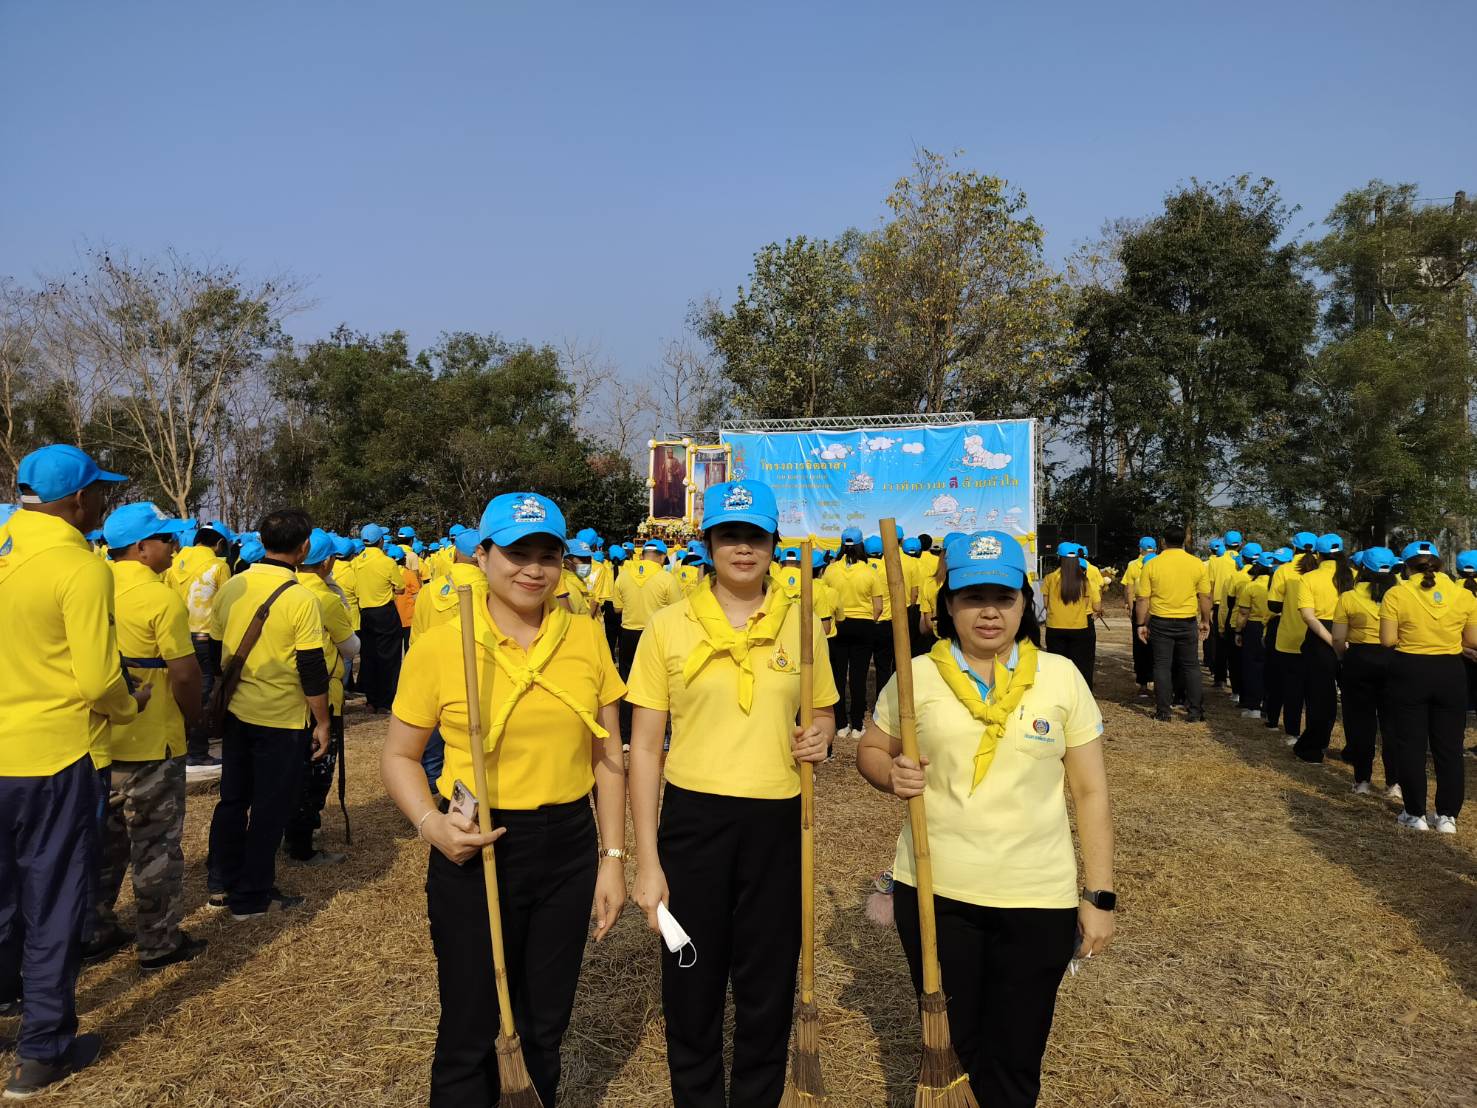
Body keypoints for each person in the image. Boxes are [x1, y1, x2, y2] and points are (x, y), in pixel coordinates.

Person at [382, 491, 627, 1107]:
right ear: (483, 556)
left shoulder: (586, 637)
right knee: (470, 1026)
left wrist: (613, 858)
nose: (534, 569)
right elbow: (399, 757)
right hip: (474, 847)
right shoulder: (443, 644)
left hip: (566, 846)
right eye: (517, 553)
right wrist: (429, 825)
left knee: (544, 1024)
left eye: (549, 554)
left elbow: (609, 759)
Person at [856, 530, 1115, 1108]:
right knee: (954, 1050)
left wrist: (1098, 896)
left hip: (1038, 898)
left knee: (1018, 1055)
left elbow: (1091, 791)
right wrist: (889, 773)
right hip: (936, 893)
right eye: (973, 597)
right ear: (950, 604)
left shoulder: (1060, 678)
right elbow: (871, 750)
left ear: (1026, 602)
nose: (990, 612)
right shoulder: (916, 673)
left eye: (1004, 596)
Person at [627, 479, 837, 1108]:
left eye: (755, 536)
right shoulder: (668, 627)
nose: (742, 548)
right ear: (708, 544)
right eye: (728, 535)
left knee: (767, 982)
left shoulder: (803, 625)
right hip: (694, 820)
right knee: (690, 979)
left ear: (773, 543)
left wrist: (819, 737)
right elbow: (644, 747)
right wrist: (646, 856)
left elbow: (822, 714)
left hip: (778, 819)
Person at [0, 445, 146, 1098]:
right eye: (101, 495)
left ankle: (10, 1009)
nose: (102, 507)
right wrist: (128, 702)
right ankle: (45, 1049)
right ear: (81, 501)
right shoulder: (79, 568)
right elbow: (95, 679)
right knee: (54, 901)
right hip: (55, 759)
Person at [87, 502, 209, 975]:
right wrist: (194, 718)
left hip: (98, 744)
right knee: (156, 848)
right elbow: (183, 674)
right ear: (141, 549)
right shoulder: (160, 598)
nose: (172, 546)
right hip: (152, 742)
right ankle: (158, 941)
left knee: (103, 845)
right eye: (165, 539)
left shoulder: (90, 586)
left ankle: (95, 930)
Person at [205, 509, 332, 919]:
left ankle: (220, 882)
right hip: (281, 719)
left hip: (237, 713)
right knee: (268, 808)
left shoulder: (234, 586)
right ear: (305, 546)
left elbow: (217, 649)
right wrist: (323, 720)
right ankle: (251, 896)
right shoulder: (300, 598)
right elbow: (311, 668)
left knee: (232, 799)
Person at [1381, 541, 1477, 833]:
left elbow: (1387, 640)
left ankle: (1415, 813)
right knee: (1449, 746)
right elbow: (1472, 640)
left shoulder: (1396, 593)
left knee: (1411, 743)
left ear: (1407, 566)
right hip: (1450, 670)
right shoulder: (1464, 595)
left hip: (1410, 669)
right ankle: (1447, 816)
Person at [285, 529, 359, 866]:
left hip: (285, 696)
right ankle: (302, 842)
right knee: (317, 770)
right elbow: (351, 647)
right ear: (327, 561)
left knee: (291, 768)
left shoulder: (285, 588)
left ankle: (287, 831)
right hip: (323, 695)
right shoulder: (325, 599)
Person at [165, 520, 233, 779]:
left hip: (179, 636)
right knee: (204, 694)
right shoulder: (218, 566)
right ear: (218, 543)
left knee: (179, 692)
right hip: (206, 637)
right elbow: (225, 604)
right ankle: (197, 753)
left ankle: (181, 748)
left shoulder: (175, 562)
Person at [1332, 547, 1399, 796]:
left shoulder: (1348, 597)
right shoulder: (1401, 594)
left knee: (1360, 722)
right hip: (1393, 659)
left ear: (1362, 569)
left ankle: (1362, 780)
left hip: (1359, 659)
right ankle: (1395, 782)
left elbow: (1338, 638)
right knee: (1393, 724)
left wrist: (1343, 657)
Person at [1134, 525, 1211, 722]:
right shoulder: (1197, 564)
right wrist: (1205, 620)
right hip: (1187, 621)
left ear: (1163, 541)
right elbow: (1205, 596)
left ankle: (1163, 712)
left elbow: (1143, 599)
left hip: (1160, 621)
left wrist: (1141, 624)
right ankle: (1195, 712)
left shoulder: (1152, 564)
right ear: (1184, 541)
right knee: (1191, 666)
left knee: (1161, 666)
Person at [611, 538, 681, 744]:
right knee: (660, 684)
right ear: (661, 557)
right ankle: (660, 736)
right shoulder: (665, 578)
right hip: (656, 634)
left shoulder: (623, 577)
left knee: (626, 682)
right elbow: (677, 611)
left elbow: (617, 609)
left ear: (642, 556)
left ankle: (625, 735)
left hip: (628, 634)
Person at [1292, 534, 1354, 763]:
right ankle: (1355, 750)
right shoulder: (1354, 576)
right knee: (1355, 700)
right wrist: (1344, 642)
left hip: (1321, 639)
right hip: (1351, 636)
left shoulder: (1309, 578)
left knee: (1320, 699)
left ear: (1317, 554)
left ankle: (1313, 749)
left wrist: (1332, 641)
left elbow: (1309, 617)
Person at [826, 527, 883, 740]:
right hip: (864, 624)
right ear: (861, 546)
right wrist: (869, 621)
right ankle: (858, 725)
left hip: (838, 626)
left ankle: (841, 724)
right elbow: (878, 606)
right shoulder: (869, 571)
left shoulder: (831, 570)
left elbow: (825, 599)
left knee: (838, 675)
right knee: (859, 677)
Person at [1267, 533, 1317, 741]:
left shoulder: (1284, 570)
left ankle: (1293, 733)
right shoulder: (1322, 573)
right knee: (1315, 691)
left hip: (1289, 637)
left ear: (1293, 548)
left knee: (1292, 688)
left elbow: (1274, 605)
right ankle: (1315, 735)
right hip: (1318, 638)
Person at [352, 524, 406, 713]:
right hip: (385, 613)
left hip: (365, 614)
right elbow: (400, 588)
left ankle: (371, 700)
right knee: (389, 659)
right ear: (381, 541)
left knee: (369, 656)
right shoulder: (387, 562)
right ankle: (386, 701)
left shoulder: (356, 562)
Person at [1042, 544, 1102, 688]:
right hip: (1079, 628)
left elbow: (1045, 604)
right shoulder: (1084, 580)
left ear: (1059, 558)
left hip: (1055, 627)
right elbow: (1086, 604)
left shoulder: (1050, 578)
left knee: (1056, 666)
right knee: (1081, 666)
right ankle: (1082, 695)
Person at [1232, 553, 1276, 720]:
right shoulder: (1277, 585)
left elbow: (1243, 613)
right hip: (1273, 627)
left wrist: (1238, 631)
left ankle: (1253, 706)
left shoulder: (1251, 587)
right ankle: (1268, 706)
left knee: (1253, 667)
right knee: (1270, 668)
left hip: (1254, 627)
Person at [1121, 538, 1157, 698]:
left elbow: (1128, 589)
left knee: (1140, 644)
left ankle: (1143, 683)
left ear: (1140, 549)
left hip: (1139, 606)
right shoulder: (1161, 563)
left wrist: (1130, 608)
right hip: (1158, 607)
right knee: (1159, 645)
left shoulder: (1133, 565)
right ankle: (1159, 682)